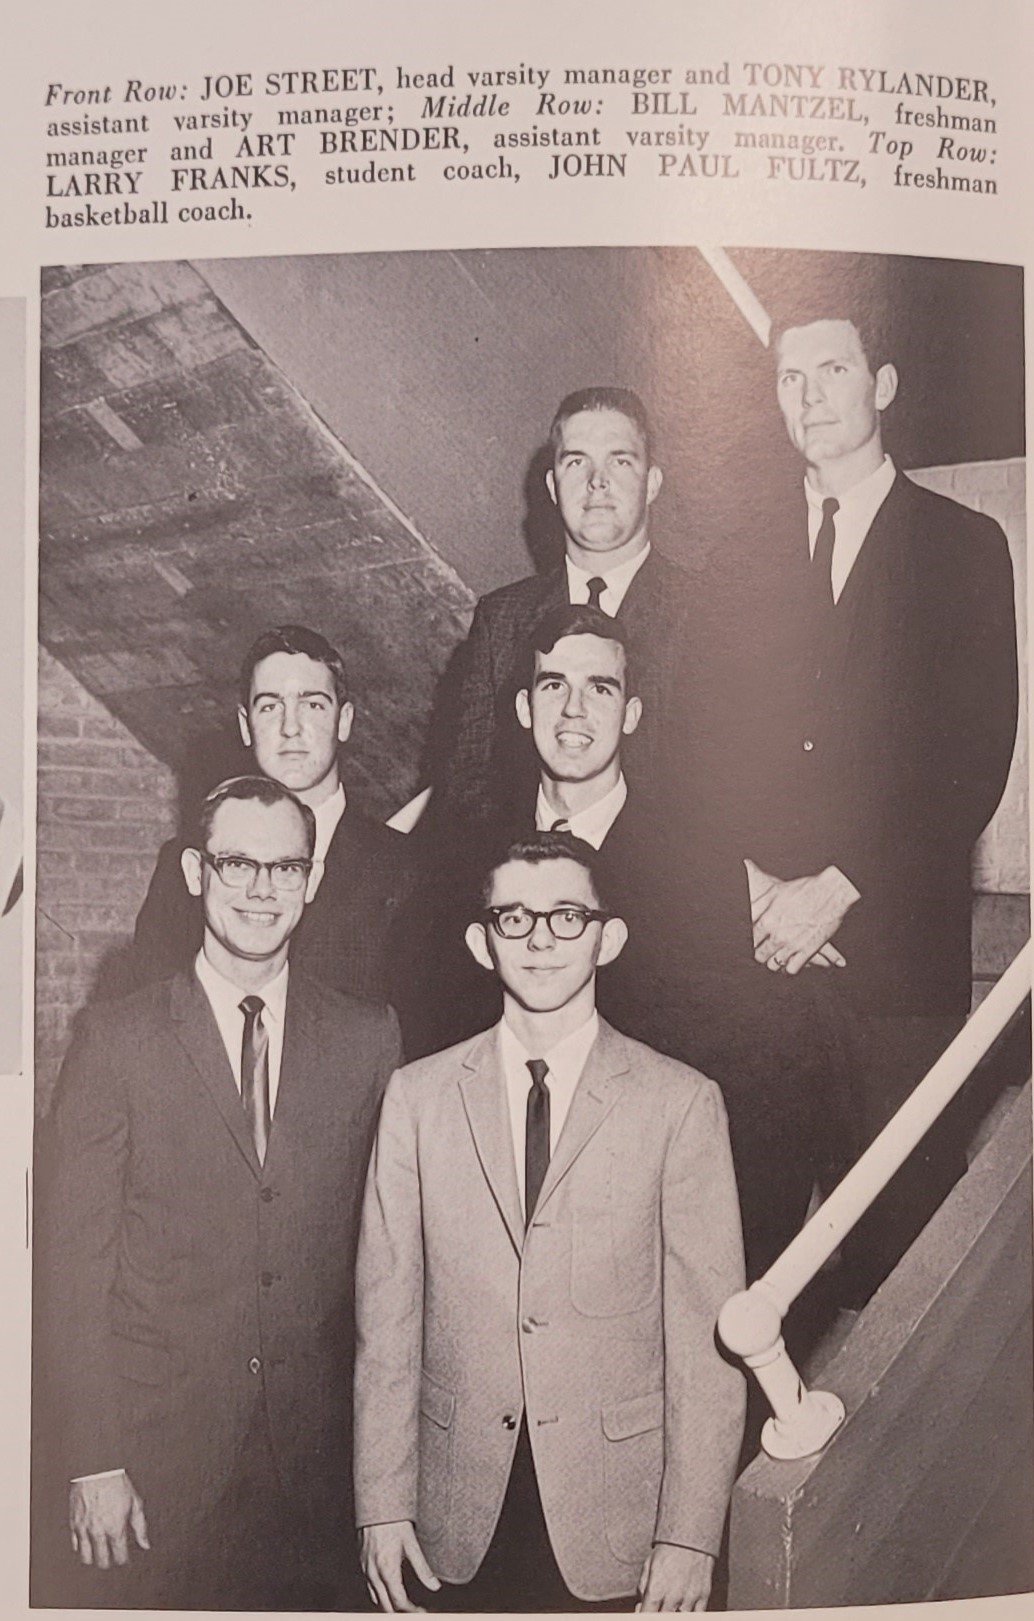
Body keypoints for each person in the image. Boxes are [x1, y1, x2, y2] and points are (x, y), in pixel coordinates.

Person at [34, 775, 401, 1610]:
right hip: (157, 1468)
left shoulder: (368, 1037)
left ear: (311, 882)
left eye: (284, 868)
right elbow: (72, 1271)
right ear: (197, 873)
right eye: (238, 863)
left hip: (318, 1471)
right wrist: (94, 1458)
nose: (261, 889)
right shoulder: (115, 1039)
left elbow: (390, 1265)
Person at [354, 831, 746, 1613]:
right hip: (452, 1515)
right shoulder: (417, 1098)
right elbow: (386, 1319)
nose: (539, 938)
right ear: (479, 940)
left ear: (610, 936)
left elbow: (709, 1347)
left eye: (568, 915)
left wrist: (691, 1534)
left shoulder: (680, 1103)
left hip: (618, 1523)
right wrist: (382, 1501)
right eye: (515, 917)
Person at [742, 310, 1019, 1295]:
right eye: (786, 376)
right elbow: (694, 744)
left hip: (896, 971)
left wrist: (839, 885)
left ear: (883, 384)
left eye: (831, 368)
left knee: (898, 1266)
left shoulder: (962, 544)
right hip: (755, 963)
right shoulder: (735, 557)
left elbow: (971, 749)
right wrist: (749, 886)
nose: (807, 395)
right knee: (743, 1256)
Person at [427, 387, 699, 823]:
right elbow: (468, 790)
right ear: (553, 486)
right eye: (577, 462)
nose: (597, 481)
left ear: (652, 484)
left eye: (620, 460)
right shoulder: (502, 619)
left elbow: (720, 785)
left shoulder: (707, 615)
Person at [132, 624, 414, 1002]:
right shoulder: (184, 865)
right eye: (269, 707)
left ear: (344, 721)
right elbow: (155, 1015)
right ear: (246, 726)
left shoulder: (409, 867)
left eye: (312, 705)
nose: (290, 727)